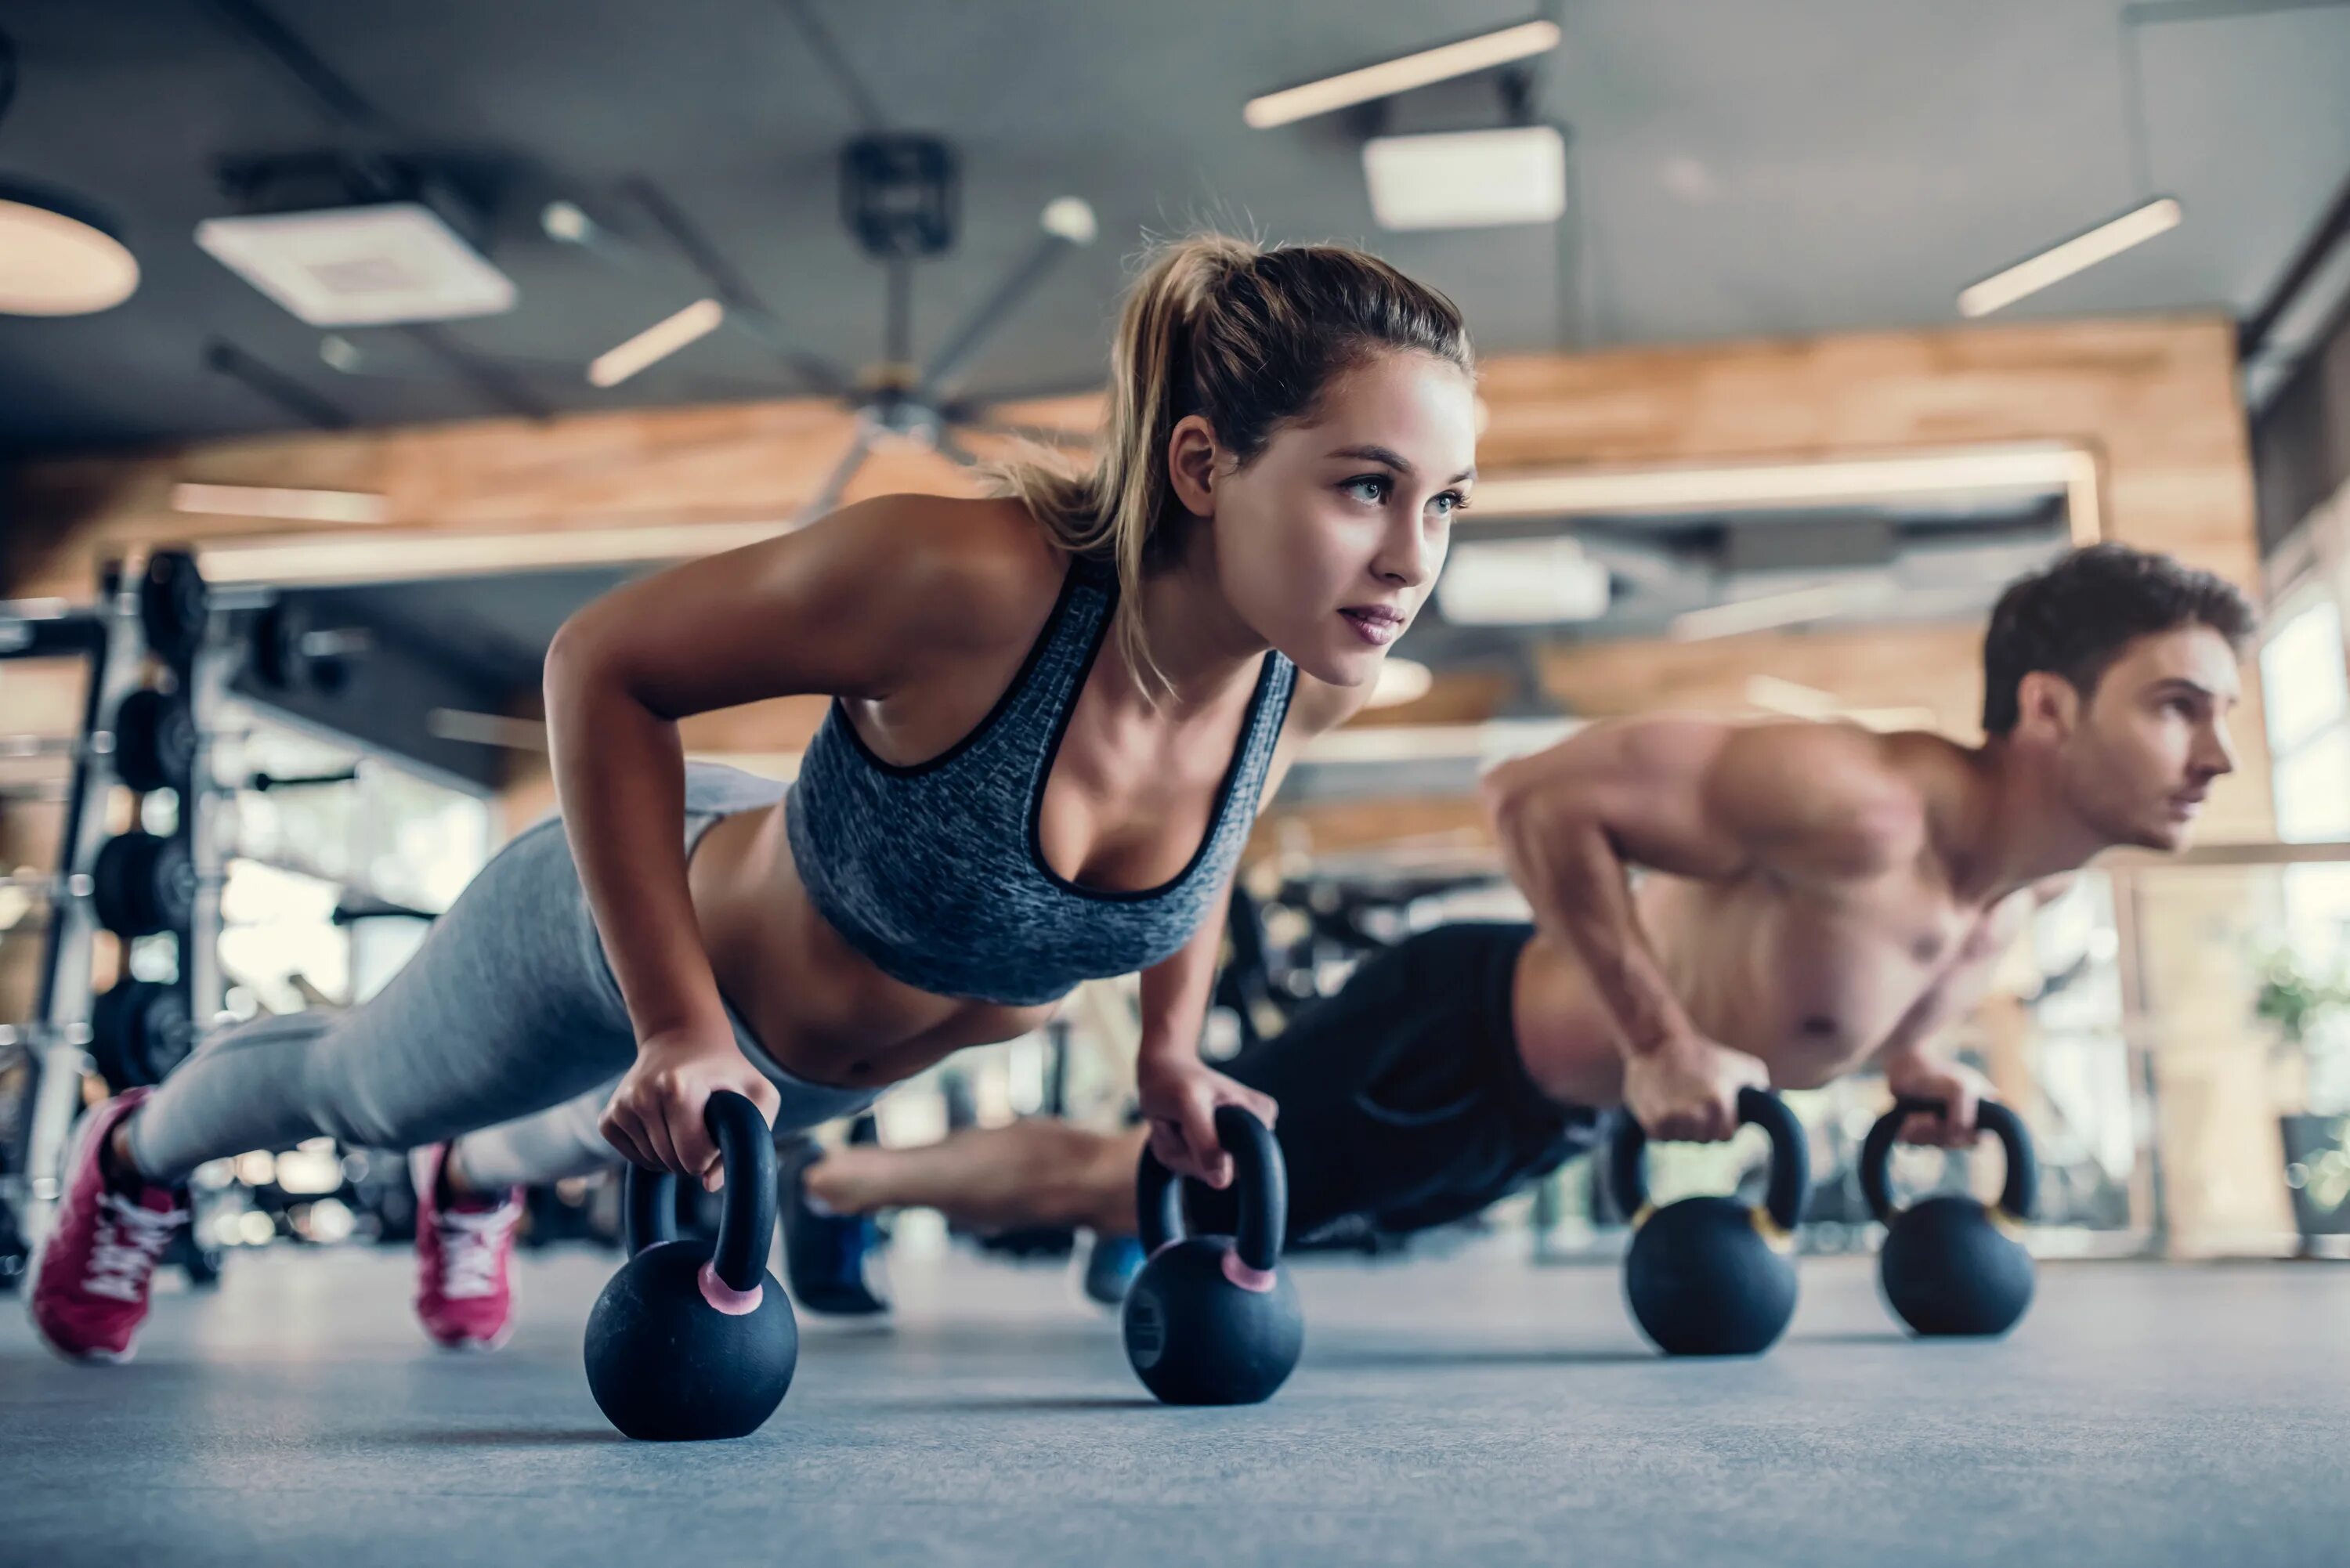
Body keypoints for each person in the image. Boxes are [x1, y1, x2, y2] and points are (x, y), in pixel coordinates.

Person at [29, 233, 1481, 1362]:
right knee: (361, 1095)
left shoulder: (1307, 678)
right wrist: (674, 1021)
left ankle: (477, 1183)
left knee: (588, 1124)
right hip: (634, 924)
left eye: (1448, 501)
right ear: (1203, 465)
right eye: (1368, 485)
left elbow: (1203, 855)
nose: (1413, 556)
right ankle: (138, 1154)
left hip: (767, 1073)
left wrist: (1171, 1050)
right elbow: (602, 661)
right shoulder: (969, 584)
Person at [781, 544, 2251, 1292]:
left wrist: (1919, 1065)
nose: (2221, 756)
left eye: (2230, 716)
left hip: (1523, 1117)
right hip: (1454, 1036)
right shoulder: (1857, 797)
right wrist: (1662, 1034)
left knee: (1203, 1213)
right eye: (2180, 706)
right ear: (2049, 710)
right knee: (1127, 1181)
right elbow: (1533, 791)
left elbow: (1851, 978)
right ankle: (839, 1191)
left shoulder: (2020, 886)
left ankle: (888, 1192)